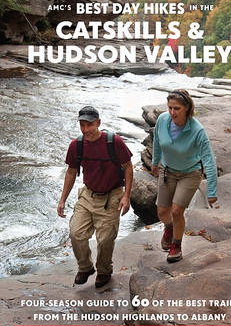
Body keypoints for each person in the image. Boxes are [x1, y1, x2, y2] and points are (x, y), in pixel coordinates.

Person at [57, 106, 133, 288]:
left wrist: (126, 196)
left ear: (98, 123)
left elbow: (128, 167)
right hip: (88, 195)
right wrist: (62, 199)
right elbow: (71, 172)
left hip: (112, 196)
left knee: (105, 239)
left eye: (89, 125)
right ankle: (85, 267)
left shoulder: (113, 142)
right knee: (76, 233)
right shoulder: (77, 145)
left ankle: (104, 271)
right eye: (82, 125)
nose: (85, 129)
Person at [151, 90, 217, 263]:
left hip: (190, 173)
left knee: (176, 210)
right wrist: (154, 162)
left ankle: (176, 246)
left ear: (187, 108)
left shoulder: (197, 131)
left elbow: (209, 160)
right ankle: (169, 228)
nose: (172, 112)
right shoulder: (162, 120)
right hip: (167, 170)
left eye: (177, 108)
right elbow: (157, 142)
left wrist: (211, 191)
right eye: (170, 108)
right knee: (162, 211)